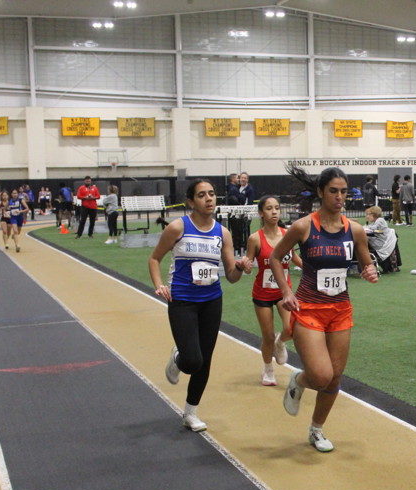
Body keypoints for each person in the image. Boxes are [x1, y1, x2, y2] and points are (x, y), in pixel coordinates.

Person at [269, 165, 379, 452]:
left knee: (335, 377)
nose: (339, 197)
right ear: (320, 192)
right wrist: (286, 292)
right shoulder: (304, 226)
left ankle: (316, 429)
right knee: (320, 376)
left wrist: (370, 271)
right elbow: (276, 258)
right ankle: (299, 379)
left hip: (340, 310)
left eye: (344, 192)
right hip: (308, 309)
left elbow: (366, 263)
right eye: (333, 191)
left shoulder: (355, 230)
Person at [148, 178, 252, 432]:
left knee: (205, 361)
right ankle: (179, 357)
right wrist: (160, 284)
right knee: (192, 361)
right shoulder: (177, 227)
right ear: (190, 201)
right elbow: (154, 259)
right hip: (182, 301)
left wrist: (240, 267)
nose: (209, 199)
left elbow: (231, 276)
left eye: (212, 194)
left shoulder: (222, 233)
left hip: (211, 301)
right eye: (202, 195)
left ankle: (190, 413)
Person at [245, 194, 302, 386]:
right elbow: (248, 264)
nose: (274, 212)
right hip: (262, 293)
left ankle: (280, 342)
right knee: (267, 336)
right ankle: (268, 370)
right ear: (261, 213)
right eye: (269, 208)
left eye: (277, 208)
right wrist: (245, 266)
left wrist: (312, 269)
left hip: (284, 292)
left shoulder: (287, 234)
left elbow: (294, 258)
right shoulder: (255, 238)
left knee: (290, 328)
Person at [363, 205, 400, 272]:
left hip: (382, 243)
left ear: (374, 214)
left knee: (364, 241)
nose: (367, 216)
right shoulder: (374, 222)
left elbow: (372, 229)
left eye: (369, 214)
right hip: (381, 241)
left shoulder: (380, 220)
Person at [6, 188, 29, 252]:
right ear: (11, 194)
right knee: (15, 231)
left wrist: (20, 211)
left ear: (17, 194)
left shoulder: (21, 200)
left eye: (16, 193)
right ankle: (17, 245)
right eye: (13, 193)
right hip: (13, 218)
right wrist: (7, 214)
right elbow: (4, 210)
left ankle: (14, 236)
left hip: (20, 217)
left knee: (18, 232)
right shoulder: (9, 201)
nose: (15, 194)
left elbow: (27, 209)